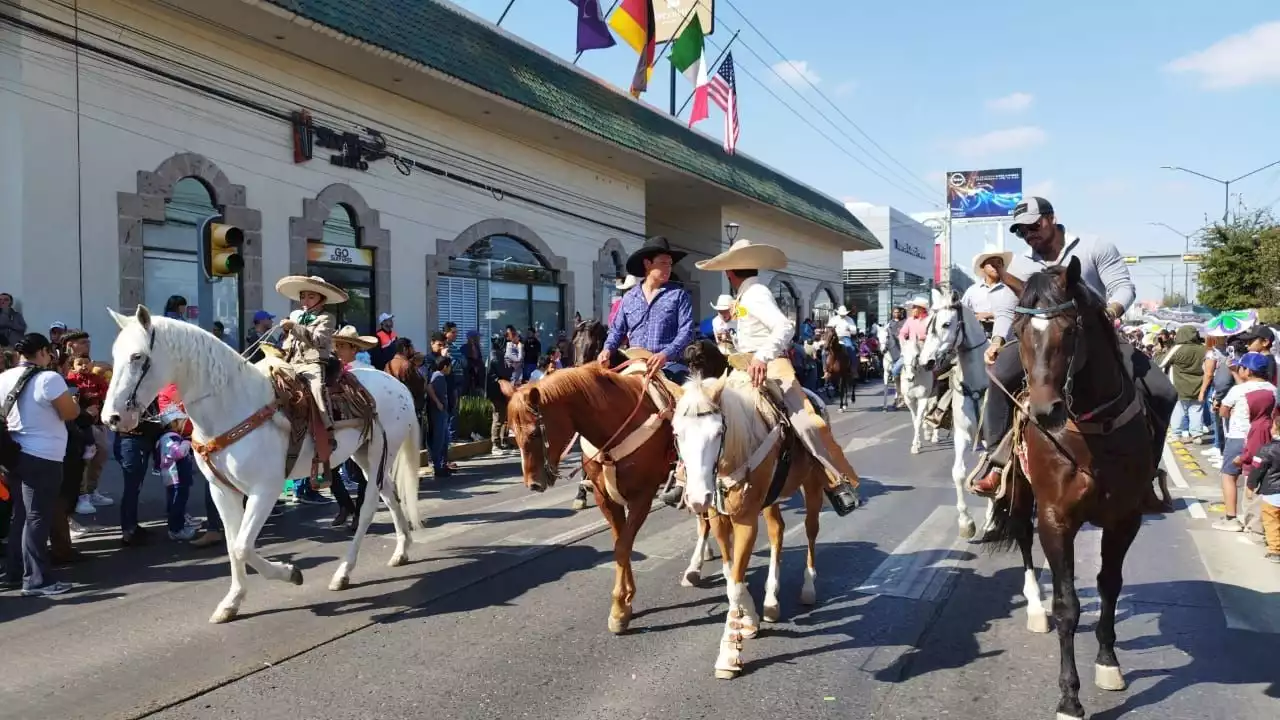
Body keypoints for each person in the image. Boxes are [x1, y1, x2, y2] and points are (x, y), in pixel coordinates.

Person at [973, 196, 1178, 495]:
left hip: (1098, 335)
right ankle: (997, 463)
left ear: (1051, 218)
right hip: (1040, 339)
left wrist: (1110, 312)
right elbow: (1006, 310)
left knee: (1163, 391)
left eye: (1033, 225)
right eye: (1021, 231)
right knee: (999, 376)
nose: (1029, 234)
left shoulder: (1095, 246)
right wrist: (998, 339)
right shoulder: (1020, 265)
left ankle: (1146, 472)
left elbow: (1123, 287)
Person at [693, 238, 862, 516]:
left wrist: (762, 356)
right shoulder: (743, 298)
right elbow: (748, 329)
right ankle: (688, 477)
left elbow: (784, 326)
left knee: (805, 422)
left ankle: (835, 481)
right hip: (742, 367)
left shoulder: (756, 293)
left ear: (729, 272)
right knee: (705, 412)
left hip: (770, 365)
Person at [1, 333, 80, 596]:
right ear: (45, 352)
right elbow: (69, 413)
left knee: (21, 516)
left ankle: (14, 572)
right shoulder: (49, 378)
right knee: (37, 518)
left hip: (13, 454)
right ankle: (36, 580)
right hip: (43, 456)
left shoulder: (3, 378)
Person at [599, 236, 695, 384]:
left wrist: (665, 355)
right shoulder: (629, 298)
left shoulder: (679, 295)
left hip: (670, 366)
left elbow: (686, 332)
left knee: (690, 400)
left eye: (670, 264)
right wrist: (607, 350)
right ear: (647, 263)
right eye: (663, 263)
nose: (668, 268)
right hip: (635, 365)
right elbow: (617, 331)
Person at [275, 275, 346, 453]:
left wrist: (294, 327)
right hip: (290, 363)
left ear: (321, 300)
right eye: (303, 296)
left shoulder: (327, 318)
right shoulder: (297, 318)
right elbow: (289, 344)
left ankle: (328, 430)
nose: (305, 301)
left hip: (312, 363)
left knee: (317, 388)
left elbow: (317, 340)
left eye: (311, 297)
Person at [1214, 352, 1276, 533]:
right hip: (1263, 437)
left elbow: (1223, 411)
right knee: (1256, 476)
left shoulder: (1237, 391)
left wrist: (1227, 411)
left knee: (1229, 475)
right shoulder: (1272, 389)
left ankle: (1231, 517)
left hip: (1238, 437)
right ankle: (1258, 520)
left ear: (1247, 370)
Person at [1243, 411, 1280, 563]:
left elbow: (1257, 469)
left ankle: (1275, 550)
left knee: (1271, 521)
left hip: (1272, 493)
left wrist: (1251, 486)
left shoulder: (1266, 449)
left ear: (1275, 429)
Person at [962, 248, 1018, 341]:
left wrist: (990, 315)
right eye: (992, 264)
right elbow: (963, 313)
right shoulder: (972, 291)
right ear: (982, 267)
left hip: (1007, 340)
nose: (996, 266)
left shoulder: (1011, 289)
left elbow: (1020, 314)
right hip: (978, 341)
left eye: (999, 263)